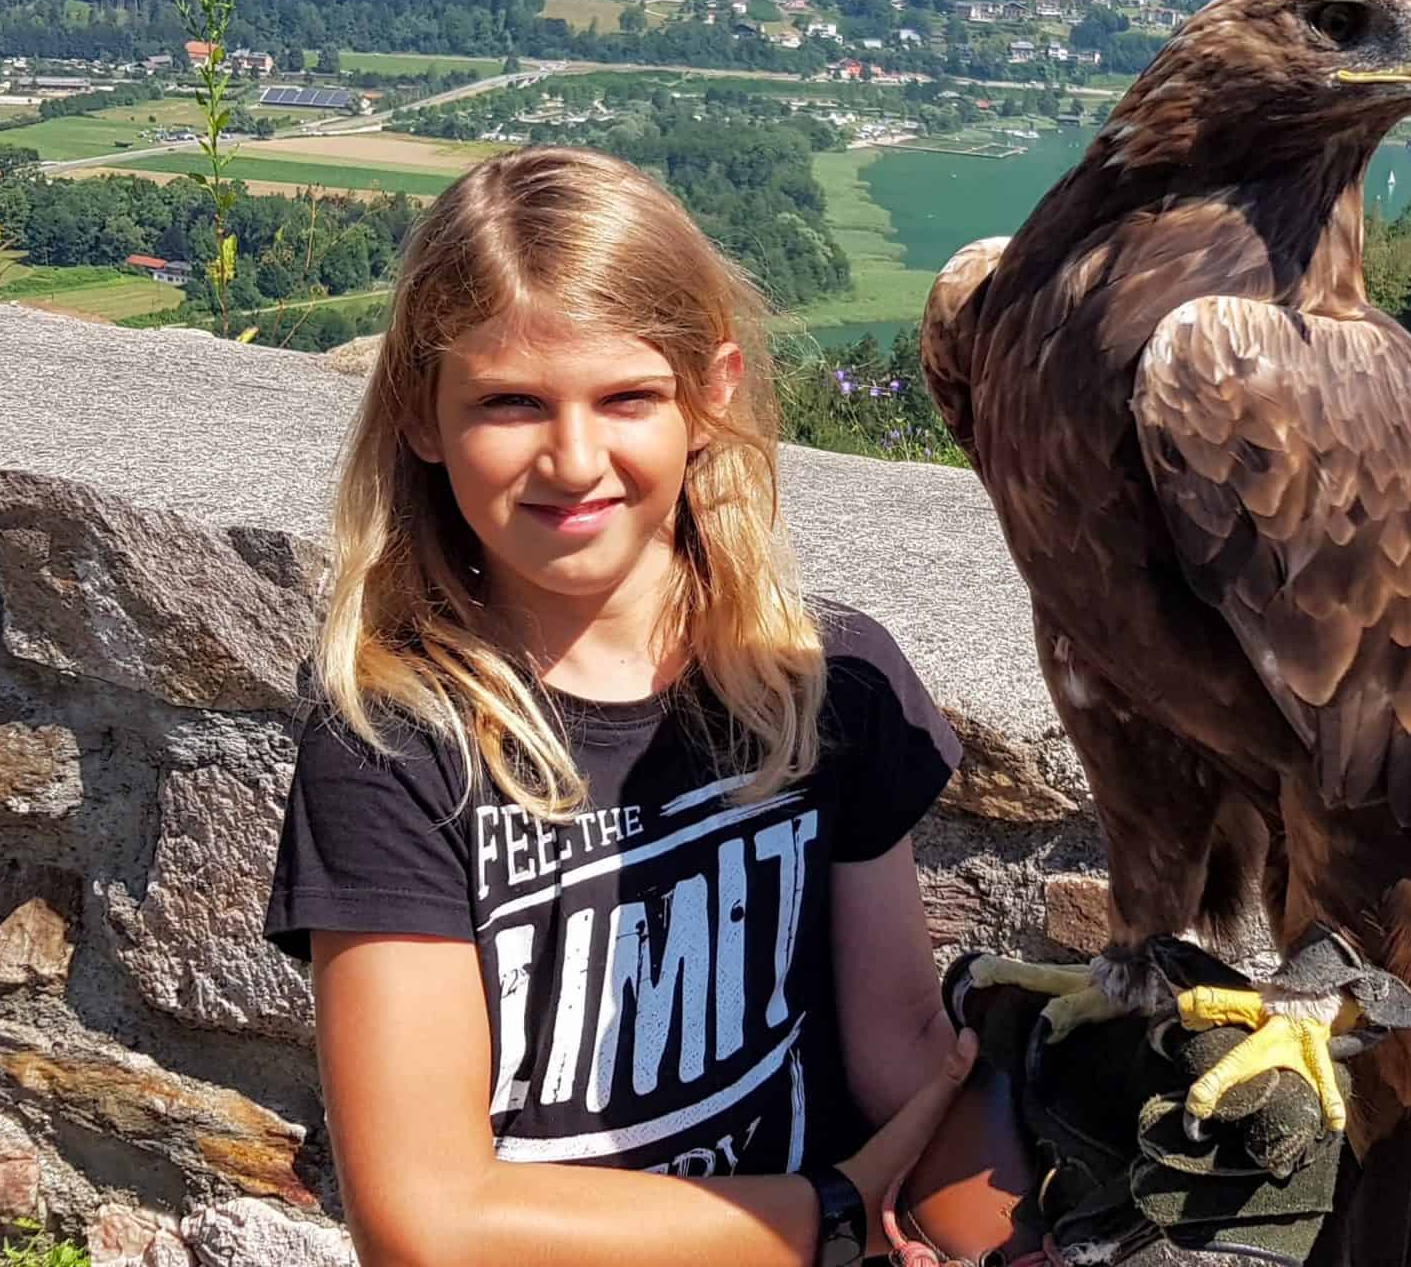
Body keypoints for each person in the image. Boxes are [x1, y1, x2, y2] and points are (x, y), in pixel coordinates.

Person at [263, 145, 978, 1267]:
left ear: (711, 398)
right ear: (419, 415)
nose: (573, 457)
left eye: (628, 396)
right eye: (510, 402)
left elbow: (904, 1056)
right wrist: (831, 1216)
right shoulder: (398, 740)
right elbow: (427, 1222)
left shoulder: (829, 684)